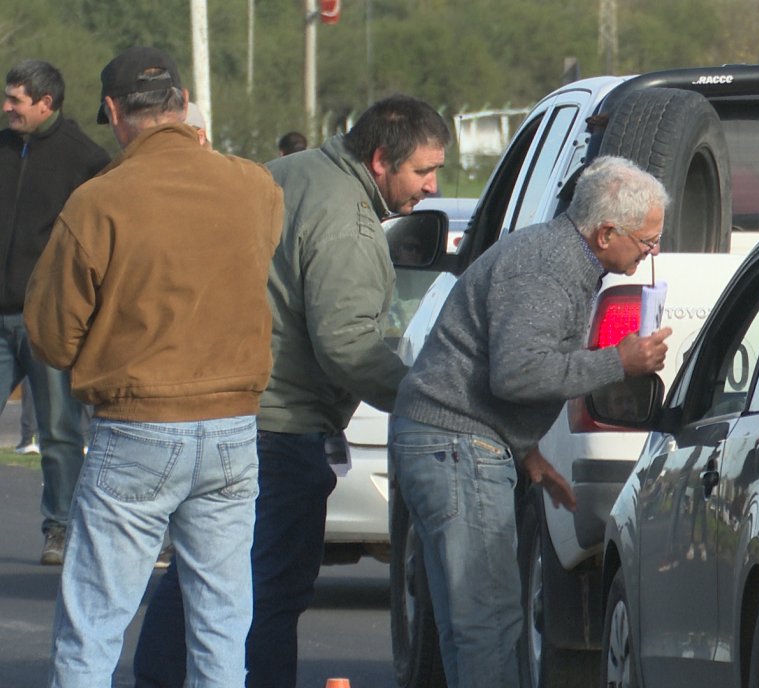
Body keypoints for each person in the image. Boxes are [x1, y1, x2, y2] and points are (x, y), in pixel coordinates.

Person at [134, 93, 450, 688]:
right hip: (278, 427)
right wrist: (431, 401)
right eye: (424, 171)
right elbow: (347, 345)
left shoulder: (283, 174)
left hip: (218, 408)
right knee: (269, 594)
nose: (432, 186)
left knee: (200, 578)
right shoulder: (347, 221)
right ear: (381, 159)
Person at [24, 45, 284, 686]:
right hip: (233, 426)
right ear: (184, 103)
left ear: (113, 111)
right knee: (223, 626)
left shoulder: (98, 201)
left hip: (136, 425)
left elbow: (52, 337)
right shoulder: (253, 185)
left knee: (94, 625)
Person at [389, 155, 673, 688]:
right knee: (489, 623)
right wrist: (620, 361)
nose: (651, 251)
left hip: (454, 439)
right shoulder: (551, 267)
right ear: (606, 231)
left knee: (471, 624)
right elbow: (517, 374)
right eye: (646, 240)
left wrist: (526, 452)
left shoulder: (556, 256)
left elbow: (495, 367)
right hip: (456, 445)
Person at [0, 59, 110, 565]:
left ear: (46, 103)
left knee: (61, 431)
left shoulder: (85, 159)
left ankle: (61, 527)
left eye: (15, 100)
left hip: (49, 321)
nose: (7, 108)